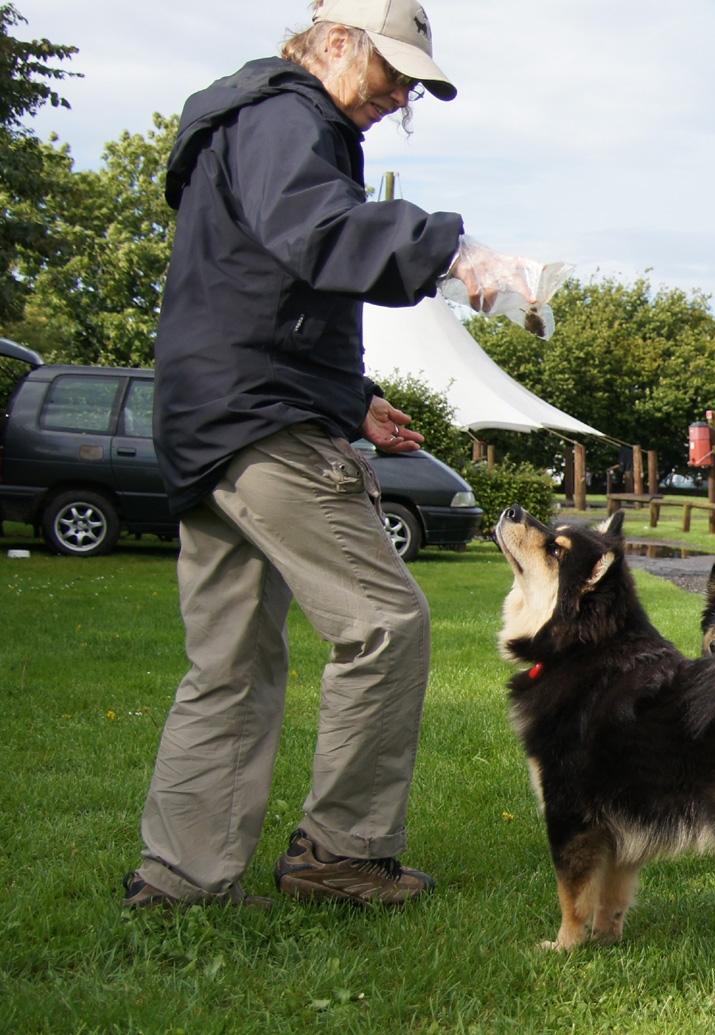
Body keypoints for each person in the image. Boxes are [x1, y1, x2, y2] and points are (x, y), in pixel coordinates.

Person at [124, 0, 505, 908]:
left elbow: (260, 293)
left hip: (213, 421)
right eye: (392, 72)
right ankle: (341, 852)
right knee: (387, 622)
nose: (399, 94)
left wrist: (353, 399)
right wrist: (453, 252)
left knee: (231, 662)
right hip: (261, 425)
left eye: (413, 85)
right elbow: (317, 230)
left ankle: (180, 879)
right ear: (337, 42)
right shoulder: (288, 114)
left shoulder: (249, 120)